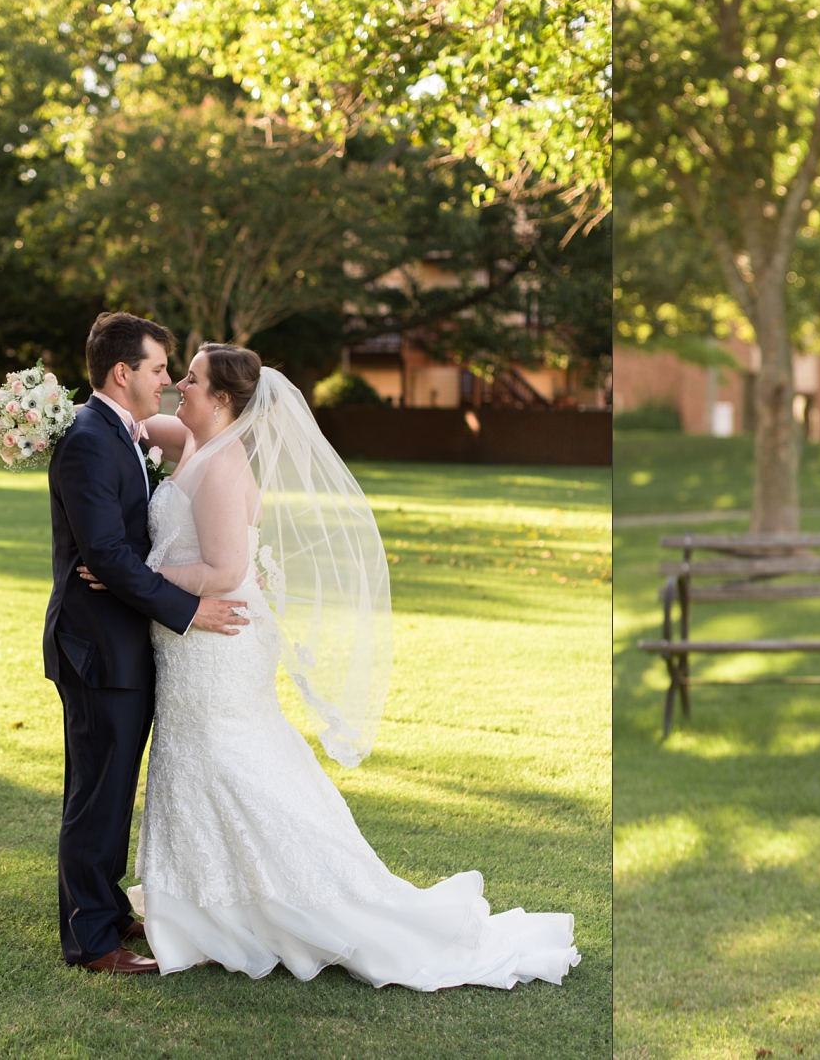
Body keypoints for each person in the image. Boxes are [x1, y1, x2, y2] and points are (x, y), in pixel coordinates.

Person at [78, 344, 581, 988]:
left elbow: (227, 572)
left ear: (224, 399)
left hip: (215, 643)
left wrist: (130, 574)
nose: (180, 384)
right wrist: (40, 413)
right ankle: (203, 909)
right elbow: (129, 423)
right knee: (204, 764)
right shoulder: (195, 439)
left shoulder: (224, 464)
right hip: (188, 642)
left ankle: (302, 901)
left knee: (231, 764)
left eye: (193, 379)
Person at [43, 313, 251, 974]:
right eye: (161, 368)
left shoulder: (123, 430)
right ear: (122, 372)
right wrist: (189, 610)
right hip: (96, 649)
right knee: (97, 797)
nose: (167, 379)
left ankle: (102, 904)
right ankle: (92, 940)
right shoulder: (89, 438)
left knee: (110, 788)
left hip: (123, 644)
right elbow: (104, 553)